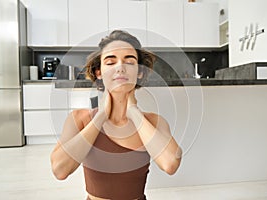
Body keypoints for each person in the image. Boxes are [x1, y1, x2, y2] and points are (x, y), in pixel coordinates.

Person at [50, 30, 182, 200]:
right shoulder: (79, 119)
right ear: (99, 73)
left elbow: (170, 164)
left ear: (140, 72)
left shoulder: (153, 122)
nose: (120, 67)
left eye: (129, 61)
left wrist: (134, 112)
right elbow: (59, 170)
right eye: (111, 62)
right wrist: (100, 116)